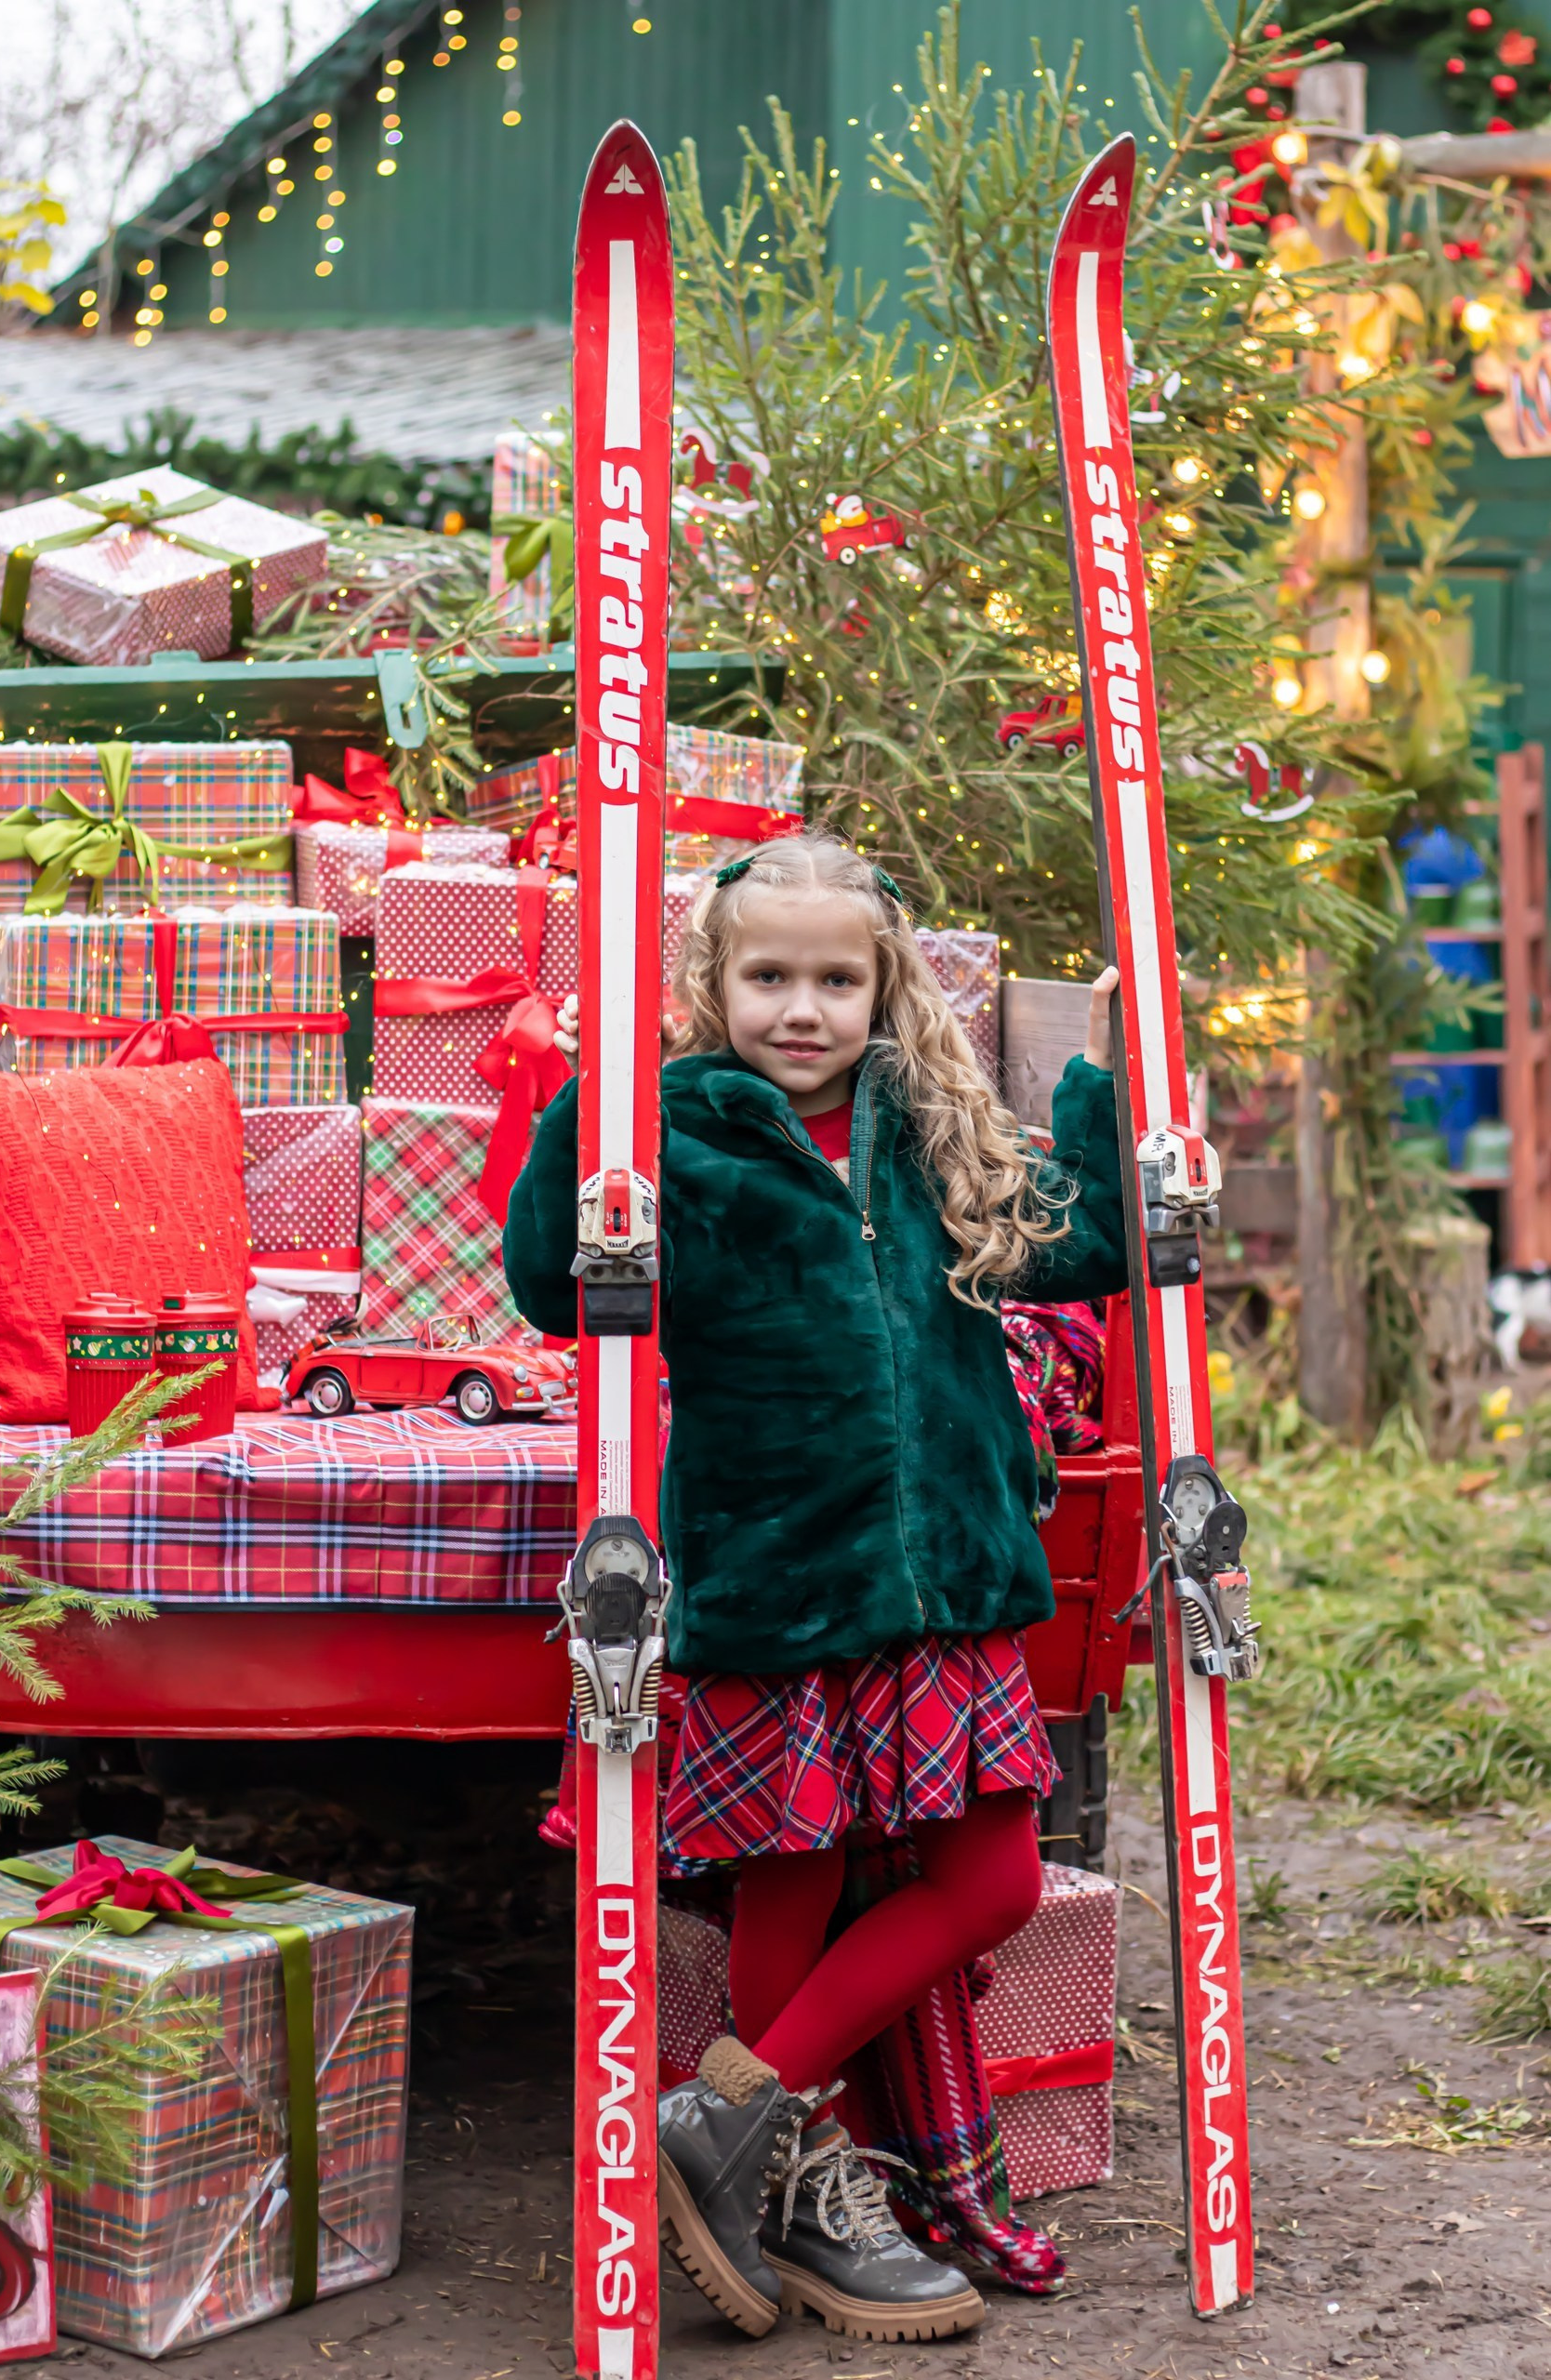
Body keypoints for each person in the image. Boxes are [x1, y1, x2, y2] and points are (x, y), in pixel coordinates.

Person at [503, 832, 1126, 2345]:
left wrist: (1106, 1084)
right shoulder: (675, 1137)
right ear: (711, 986)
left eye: (835, 979)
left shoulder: (931, 1135)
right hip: (778, 1580)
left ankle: (732, 2123)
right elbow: (550, 1286)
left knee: (990, 1881)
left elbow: (1088, 1247)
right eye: (767, 976)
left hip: (951, 1582)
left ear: (882, 985)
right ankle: (793, 2179)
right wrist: (593, 1113)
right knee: (791, 1877)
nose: (802, 1007)